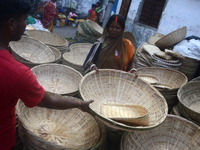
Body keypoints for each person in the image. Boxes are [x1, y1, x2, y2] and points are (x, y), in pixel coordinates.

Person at [0, 0, 93, 150]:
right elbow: (48, 101)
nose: (25, 25)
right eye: (24, 19)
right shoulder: (18, 73)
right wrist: (79, 104)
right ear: (11, 24)